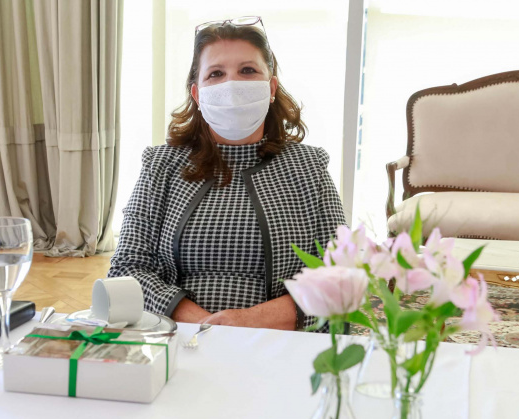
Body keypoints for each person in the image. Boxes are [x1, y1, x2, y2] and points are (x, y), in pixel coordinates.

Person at [108, 17, 346, 331]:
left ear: (271, 88)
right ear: (197, 94)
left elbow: (341, 276)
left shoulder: (309, 167)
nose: (232, 85)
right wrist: (205, 327)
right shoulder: (160, 165)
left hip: (281, 340)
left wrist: (249, 322)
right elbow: (126, 269)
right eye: (216, 74)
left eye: (248, 70)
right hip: (173, 338)